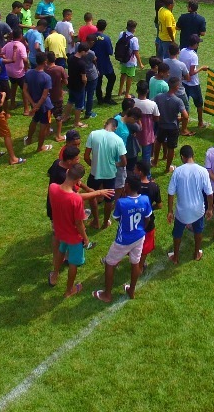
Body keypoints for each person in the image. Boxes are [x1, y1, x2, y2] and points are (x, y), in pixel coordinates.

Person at [94, 174, 153, 303]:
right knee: (135, 263)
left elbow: (117, 218)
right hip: (139, 236)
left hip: (123, 240)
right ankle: (131, 290)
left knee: (109, 263)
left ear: (127, 186)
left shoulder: (122, 202)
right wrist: (141, 229)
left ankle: (107, 295)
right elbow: (147, 219)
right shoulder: (145, 199)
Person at [49, 164, 102, 298]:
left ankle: (54, 274)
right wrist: (86, 238)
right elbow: (79, 222)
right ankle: (69, 290)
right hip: (73, 235)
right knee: (73, 263)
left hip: (61, 231)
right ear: (78, 180)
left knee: (61, 250)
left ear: (67, 172)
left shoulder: (52, 188)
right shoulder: (76, 200)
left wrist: (97, 192)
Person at [167, 145, 213, 265]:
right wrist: (210, 209)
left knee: (177, 233)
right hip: (198, 210)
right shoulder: (203, 171)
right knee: (198, 231)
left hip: (182, 211)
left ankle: (176, 257)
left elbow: (171, 193)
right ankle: (197, 253)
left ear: (182, 157)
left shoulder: (178, 171)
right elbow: (209, 193)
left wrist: (170, 211)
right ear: (193, 155)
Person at [86, 117, 128, 229]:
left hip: (94, 173)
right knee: (109, 200)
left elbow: (86, 156)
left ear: (105, 123)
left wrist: (94, 165)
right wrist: (115, 165)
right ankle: (105, 222)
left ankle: (96, 221)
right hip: (110, 175)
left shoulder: (93, 134)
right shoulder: (118, 140)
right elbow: (124, 162)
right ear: (115, 127)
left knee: (92, 196)